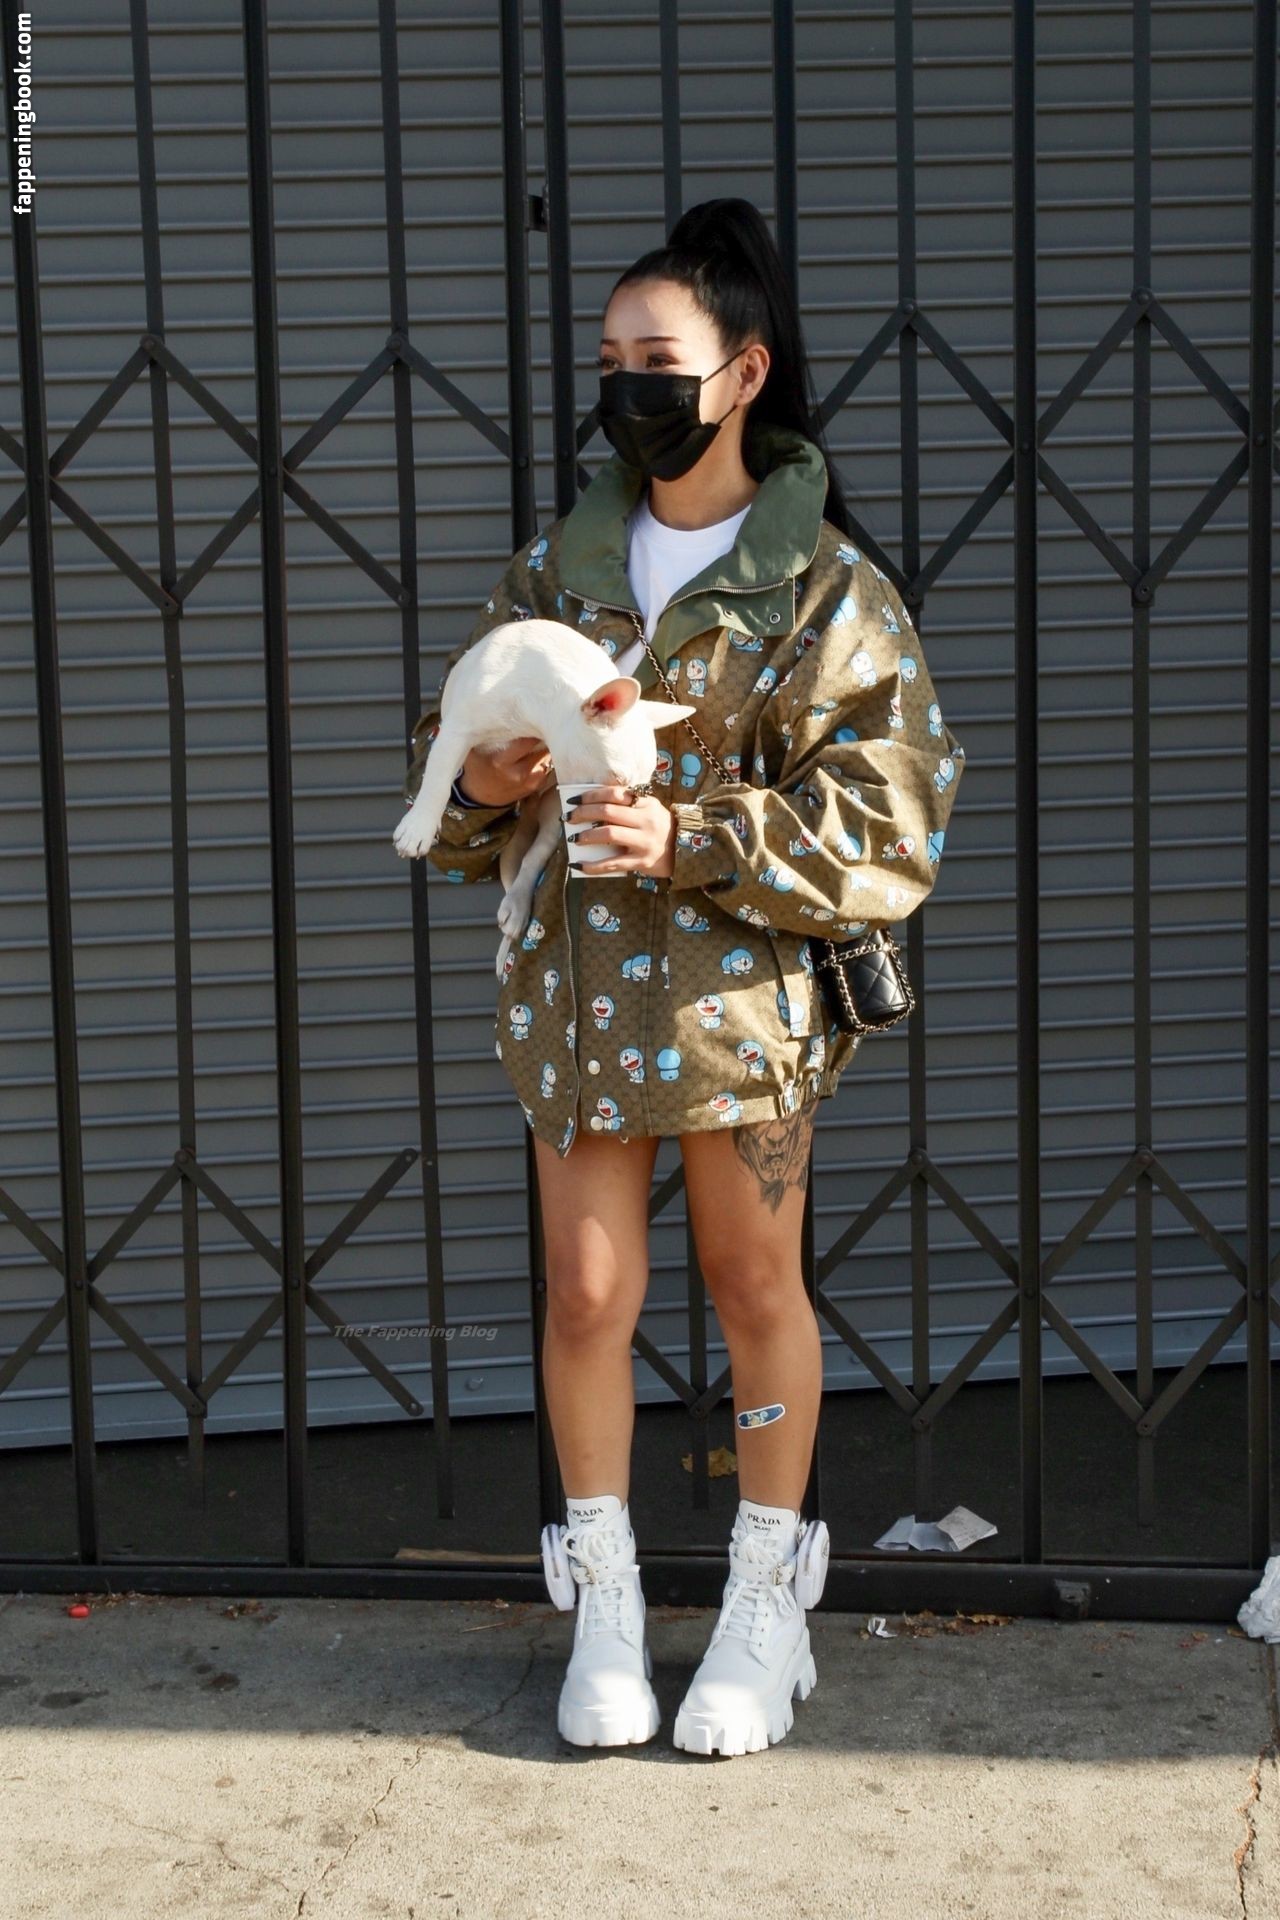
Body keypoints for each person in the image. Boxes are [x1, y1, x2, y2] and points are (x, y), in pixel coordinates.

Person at [401, 197, 965, 1757]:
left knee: (750, 1284)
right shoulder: (560, 566)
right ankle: (603, 1603)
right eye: (611, 359)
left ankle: (764, 1608)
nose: (627, 386)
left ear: (743, 372)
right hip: (580, 1001)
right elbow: (446, 775)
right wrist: (492, 780)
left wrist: (696, 834)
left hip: (739, 1013)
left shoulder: (824, 589)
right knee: (586, 1290)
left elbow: (896, 815)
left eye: (657, 357)